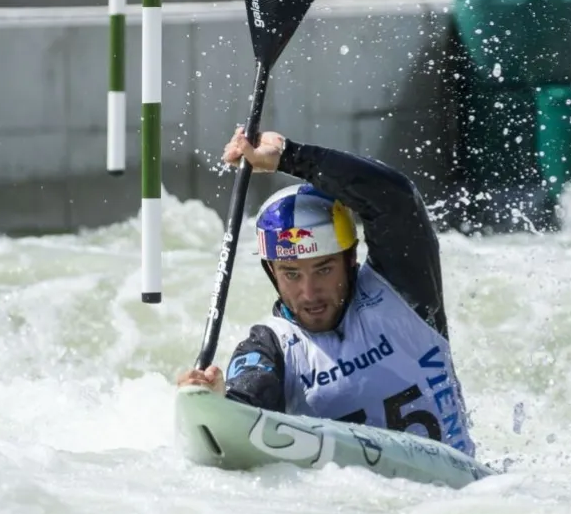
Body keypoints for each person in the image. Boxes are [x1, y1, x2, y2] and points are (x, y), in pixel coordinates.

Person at [177, 127, 476, 457]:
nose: (309, 293)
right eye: (291, 273)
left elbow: (396, 200)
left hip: (464, 497)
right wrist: (219, 403)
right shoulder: (270, 345)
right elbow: (247, 399)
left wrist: (290, 156)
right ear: (271, 272)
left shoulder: (402, 290)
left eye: (323, 269)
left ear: (350, 259)